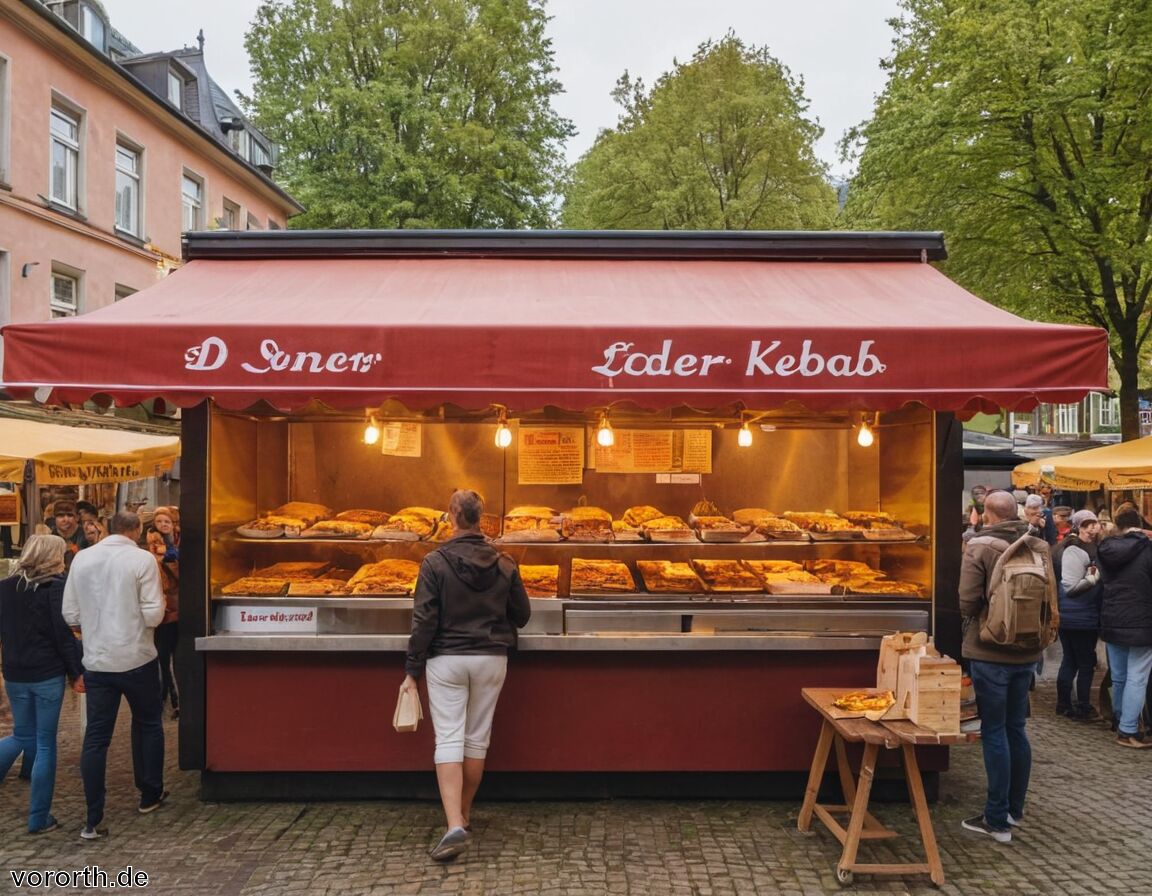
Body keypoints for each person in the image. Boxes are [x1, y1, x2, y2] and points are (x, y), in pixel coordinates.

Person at [400, 489, 531, 862]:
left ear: (451, 516)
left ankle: (454, 823)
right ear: (482, 518)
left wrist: (412, 670)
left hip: (446, 661)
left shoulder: (433, 563)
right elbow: (522, 615)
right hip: (491, 659)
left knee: (449, 739)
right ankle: (466, 814)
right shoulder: (505, 563)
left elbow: (423, 622)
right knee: (476, 739)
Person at [62, 511, 168, 839]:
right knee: (148, 724)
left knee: (96, 738)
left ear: (108, 529)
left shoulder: (83, 559)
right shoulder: (142, 559)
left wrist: (93, 630)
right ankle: (149, 794)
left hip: (97, 660)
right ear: (136, 531)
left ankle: (93, 815)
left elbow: (70, 613)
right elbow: (154, 614)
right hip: (138, 656)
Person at [959, 489, 1046, 843]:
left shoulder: (979, 546)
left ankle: (996, 821)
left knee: (993, 731)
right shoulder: (1036, 545)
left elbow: (966, 601)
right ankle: (1014, 810)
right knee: (1016, 729)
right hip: (1026, 651)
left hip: (990, 651)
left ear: (987, 514)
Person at [0, 535, 85, 834]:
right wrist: (77, 672)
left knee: (22, 735)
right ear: (53, 557)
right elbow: (64, 637)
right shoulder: (56, 588)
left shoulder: (6, 586)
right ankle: (39, 817)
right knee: (44, 743)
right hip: (46, 673)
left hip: (14, 672)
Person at [1096, 506, 1152, 748]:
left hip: (1112, 618)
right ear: (1139, 522)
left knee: (1119, 677)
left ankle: (1119, 720)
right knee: (1137, 678)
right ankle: (1128, 729)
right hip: (1142, 621)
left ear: (1118, 525)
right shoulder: (1148, 549)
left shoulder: (1106, 549)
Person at [1052, 510, 1102, 720]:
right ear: (1079, 527)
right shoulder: (1080, 550)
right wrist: (1093, 579)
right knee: (1085, 662)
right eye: (1087, 524)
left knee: (1070, 659)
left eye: (1095, 524)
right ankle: (1083, 706)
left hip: (1066, 614)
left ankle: (1063, 703)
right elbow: (1076, 586)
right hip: (1083, 615)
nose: (1092, 528)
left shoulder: (1060, 549)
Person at [145, 510, 180, 720]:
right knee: (163, 656)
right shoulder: (153, 546)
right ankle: (167, 700)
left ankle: (172, 699)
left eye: (166, 521)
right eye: (159, 521)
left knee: (175, 656)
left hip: (178, 607)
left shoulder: (177, 540)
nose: (163, 524)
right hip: (165, 607)